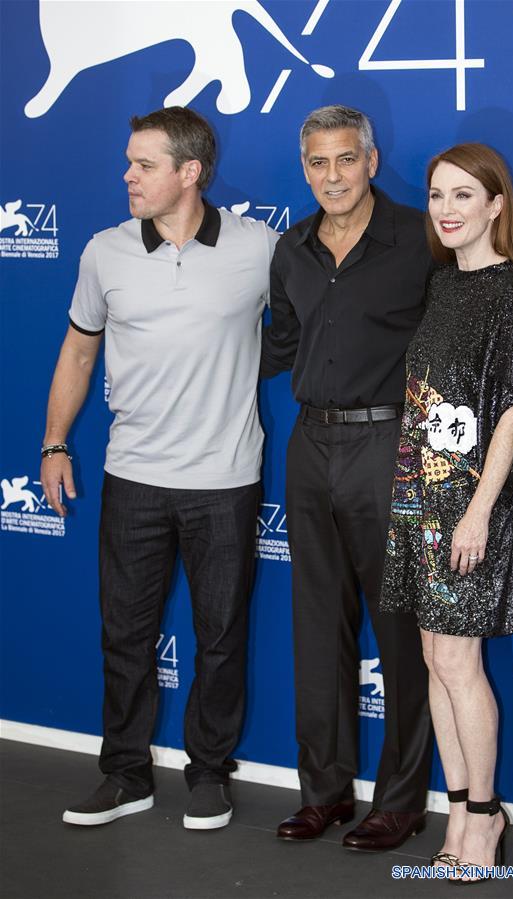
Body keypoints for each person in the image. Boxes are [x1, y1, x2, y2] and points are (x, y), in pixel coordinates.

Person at [40, 106, 277, 830]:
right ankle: (125, 773)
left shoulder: (260, 247)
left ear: (189, 172)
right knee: (126, 633)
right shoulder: (104, 251)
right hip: (133, 475)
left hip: (226, 479)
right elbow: (79, 350)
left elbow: (314, 326)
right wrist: (54, 443)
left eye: (143, 164)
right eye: (129, 162)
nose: (128, 176)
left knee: (221, 635)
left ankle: (209, 774)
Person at [380, 142, 513, 881]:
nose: (446, 210)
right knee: (432, 657)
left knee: (458, 659)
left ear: (495, 204)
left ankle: (484, 819)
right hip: (419, 494)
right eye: (435, 196)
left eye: (463, 196)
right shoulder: (440, 285)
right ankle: (457, 805)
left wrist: (479, 511)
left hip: (469, 503)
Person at [260, 105, 434, 851]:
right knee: (316, 624)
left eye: (344, 159)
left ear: (370, 158)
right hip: (310, 447)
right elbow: (281, 344)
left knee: (398, 631)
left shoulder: (418, 241)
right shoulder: (290, 248)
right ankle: (324, 792)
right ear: (304, 168)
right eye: (316, 163)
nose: (330, 176)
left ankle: (399, 801)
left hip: (390, 444)